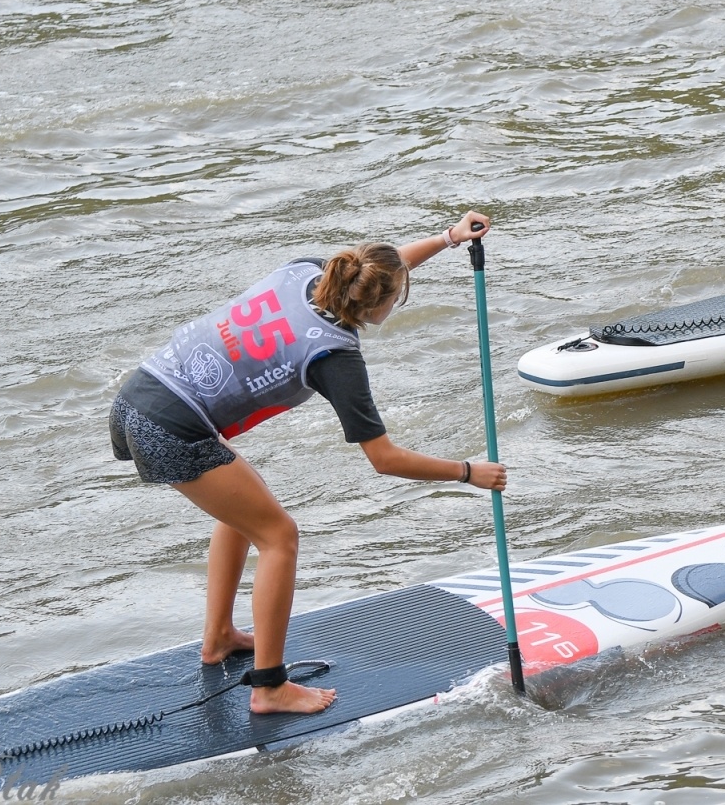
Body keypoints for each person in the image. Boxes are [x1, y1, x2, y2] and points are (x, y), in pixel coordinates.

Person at [108, 211, 507, 715]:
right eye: (396, 295)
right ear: (378, 302)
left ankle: (219, 637)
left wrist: (448, 239)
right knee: (280, 535)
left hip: (138, 396)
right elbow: (383, 459)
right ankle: (269, 688)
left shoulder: (311, 273)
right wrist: (469, 472)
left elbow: (383, 265)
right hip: (169, 427)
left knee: (245, 512)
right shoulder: (335, 357)